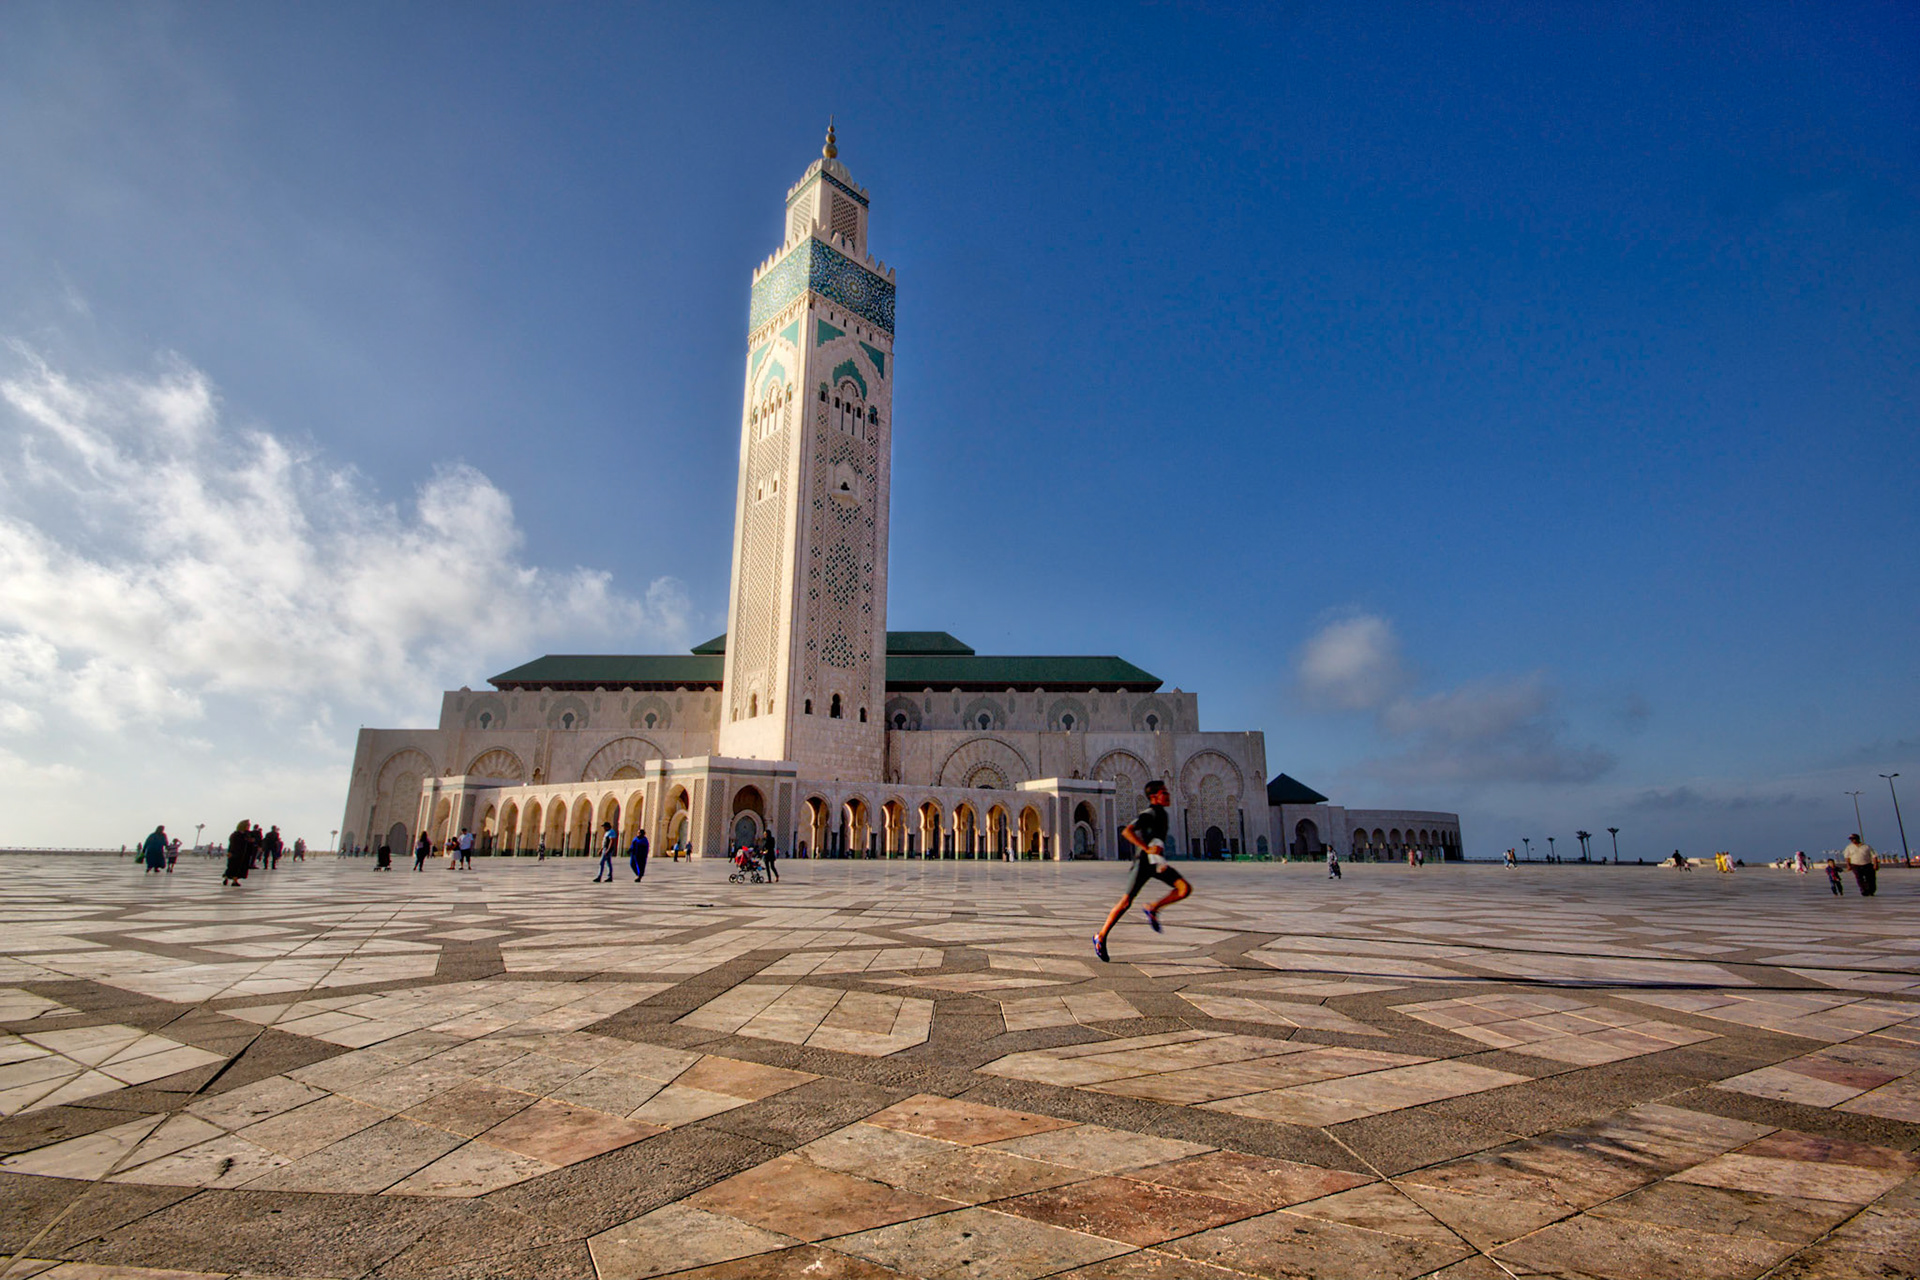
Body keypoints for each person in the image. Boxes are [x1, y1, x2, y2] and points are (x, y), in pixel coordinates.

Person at [1093, 780, 1190, 962]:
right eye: (1164, 792)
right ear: (1154, 797)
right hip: (1143, 864)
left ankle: (1153, 908)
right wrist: (1146, 849)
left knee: (1184, 889)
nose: (1168, 795)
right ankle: (1101, 936)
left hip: (1157, 862)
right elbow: (1127, 831)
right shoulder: (1149, 814)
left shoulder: (1163, 815)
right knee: (1126, 902)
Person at [222, 820, 252, 886]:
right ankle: (233, 880)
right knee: (234, 867)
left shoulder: (245, 835)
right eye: (248, 825)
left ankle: (230, 878)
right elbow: (233, 845)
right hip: (235, 853)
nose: (249, 827)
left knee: (238, 867)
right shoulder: (236, 835)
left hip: (243, 854)